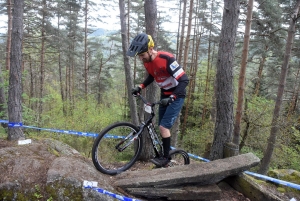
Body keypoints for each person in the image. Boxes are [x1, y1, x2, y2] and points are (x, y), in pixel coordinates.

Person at [126, 33, 189, 167]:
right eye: (139, 56)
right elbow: (152, 75)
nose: (141, 58)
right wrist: (140, 86)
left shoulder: (167, 59)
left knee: (163, 127)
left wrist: (173, 97)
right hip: (164, 94)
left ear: (150, 49)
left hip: (177, 95)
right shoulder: (147, 61)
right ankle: (166, 156)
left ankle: (166, 158)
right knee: (161, 126)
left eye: (142, 55)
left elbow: (184, 80)